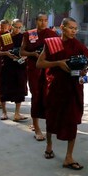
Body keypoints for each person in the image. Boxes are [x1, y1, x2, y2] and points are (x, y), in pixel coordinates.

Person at [37, 17, 88, 171]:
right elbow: (39, 63)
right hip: (56, 86)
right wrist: (58, 63)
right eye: (71, 28)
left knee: (72, 120)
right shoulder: (52, 43)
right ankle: (49, 146)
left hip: (73, 86)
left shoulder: (78, 45)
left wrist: (83, 69)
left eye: (76, 28)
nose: (73, 31)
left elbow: (87, 60)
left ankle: (69, 156)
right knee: (52, 117)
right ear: (62, 27)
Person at [20, 13, 59, 142]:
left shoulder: (52, 34)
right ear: (36, 21)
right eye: (40, 20)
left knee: (50, 96)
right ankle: (36, 127)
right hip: (34, 69)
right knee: (36, 96)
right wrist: (33, 54)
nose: (43, 23)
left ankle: (51, 124)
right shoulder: (30, 34)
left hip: (49, 69)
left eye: (45, 20)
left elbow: (57, 51)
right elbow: (22, 52)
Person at [0, 18, 28, 122]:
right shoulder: (5, 37)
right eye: (15, 27)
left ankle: (17, 113)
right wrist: (5, 53)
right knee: (4, 88)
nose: (18, 29)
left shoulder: (24, 37)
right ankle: (4, 112)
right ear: (11, 26)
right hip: (7, 65)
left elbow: (28, 51)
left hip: (20, 66)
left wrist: (24, 57)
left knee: (19, 89)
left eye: (20, 27)